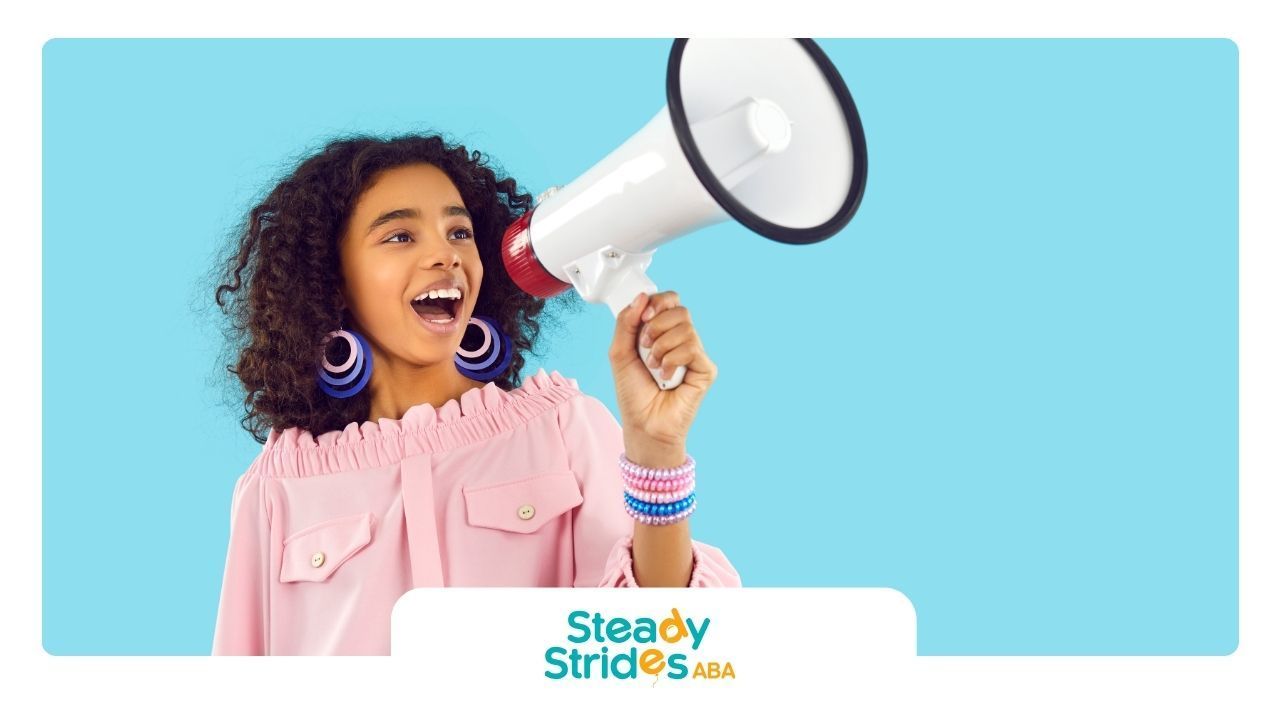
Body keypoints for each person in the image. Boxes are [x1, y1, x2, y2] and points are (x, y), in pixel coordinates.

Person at [208, 133, 741, 655]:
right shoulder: (277, 489)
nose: (446, 255)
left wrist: (657, 449)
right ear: (334, 278)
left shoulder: (561, 430)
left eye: (459, 233)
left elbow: (661, 648)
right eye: (400, 236)